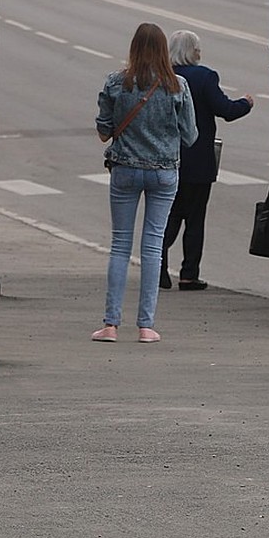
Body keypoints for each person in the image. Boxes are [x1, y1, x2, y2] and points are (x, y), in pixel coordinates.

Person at [94, 22, 197, 344]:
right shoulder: (178, 85)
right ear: (164, 50)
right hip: (164, 172)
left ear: (134, 48)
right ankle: (146, 327)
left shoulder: (115, 82)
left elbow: (103, 130)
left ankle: (110, 325)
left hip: (125, 169)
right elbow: (190, 136)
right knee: (152, 247)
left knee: (120, 245)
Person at [161, 29, 255, 292]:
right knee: (195, 218)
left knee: (167, 216)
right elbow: (226, 110)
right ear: (194, 51)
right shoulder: (204, 77)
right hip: (199, 162)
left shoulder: (163, 77)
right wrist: (246, 103)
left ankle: (158, 269)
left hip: (166, 159)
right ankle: (189, 275)